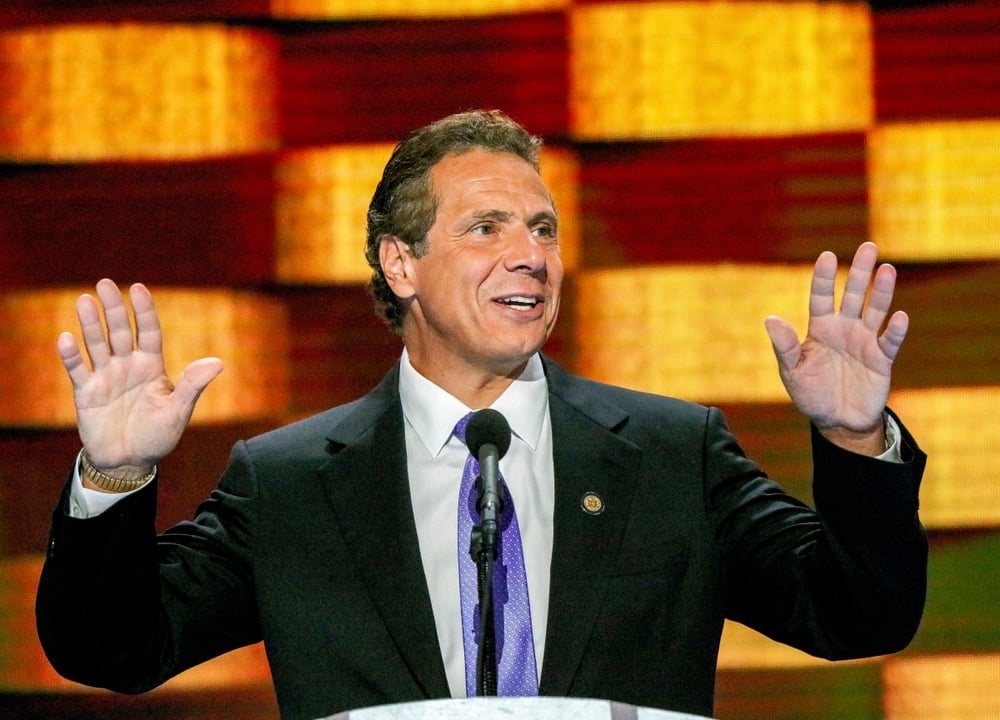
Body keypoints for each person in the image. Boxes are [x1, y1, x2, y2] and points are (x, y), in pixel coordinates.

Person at [36, 110, 927, 720]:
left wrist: (855, 439)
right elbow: (110, 648)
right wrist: (114, 476)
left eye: (543, 229)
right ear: (401, 264)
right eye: (486, 228)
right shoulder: (291, 482)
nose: (529, 256)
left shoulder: (672, 454)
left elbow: (858, 616)